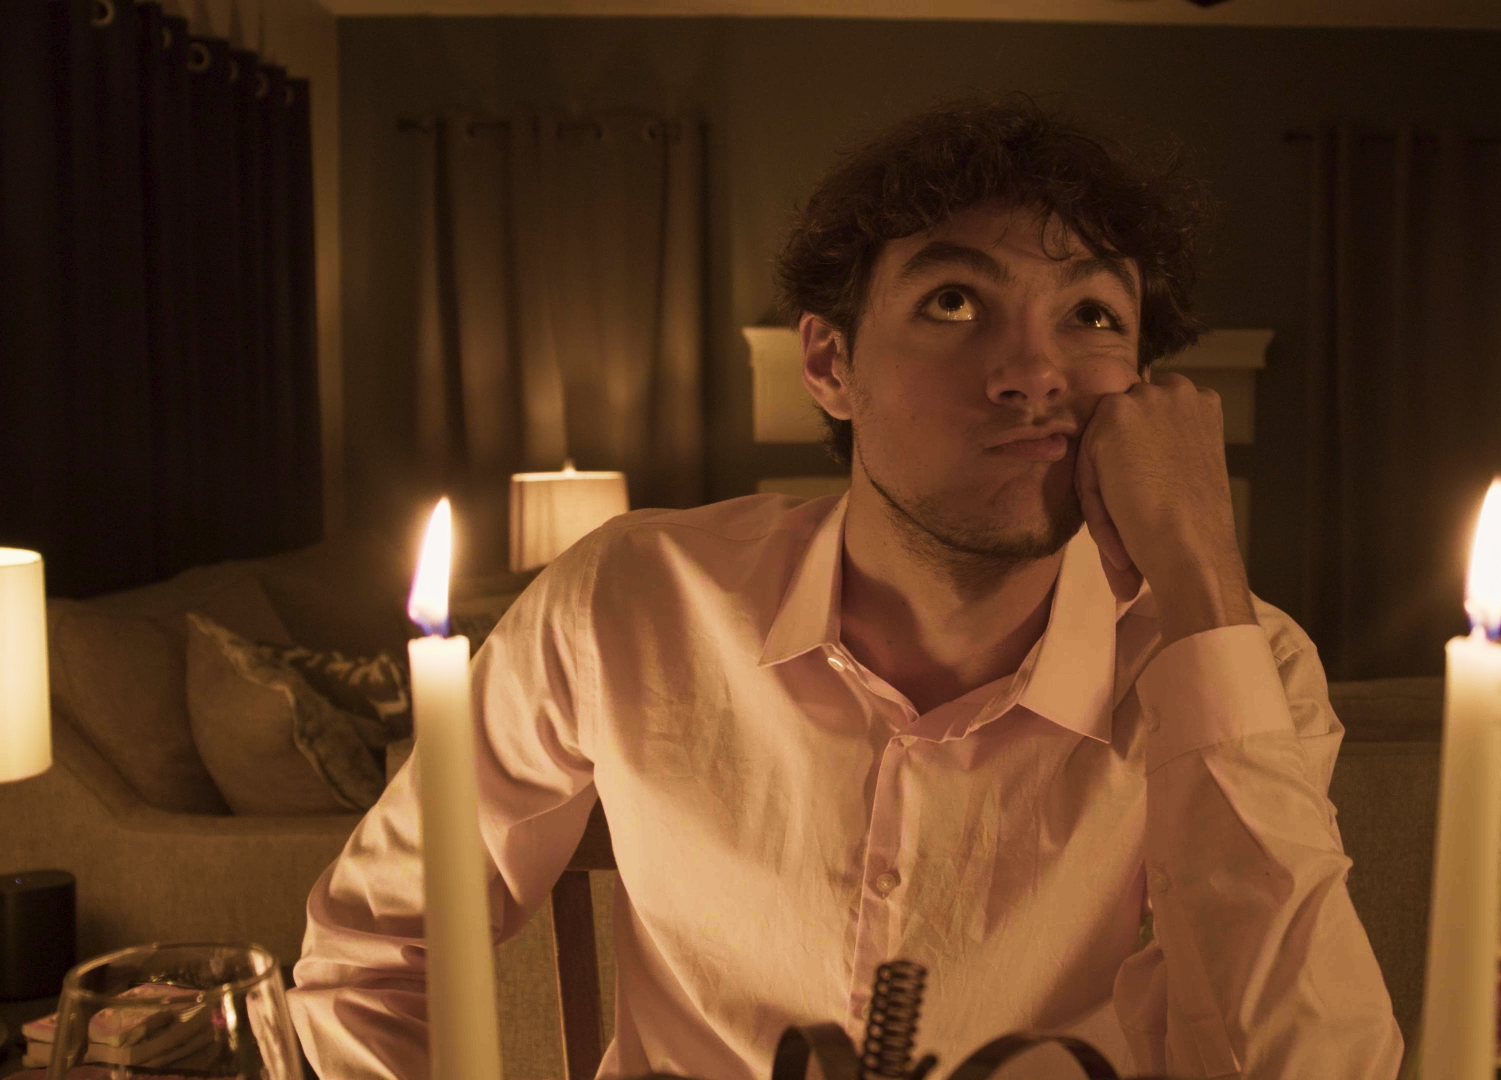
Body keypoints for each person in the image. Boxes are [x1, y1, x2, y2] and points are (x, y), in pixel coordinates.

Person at [290, 95, 1402, 1080]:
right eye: (956, 303)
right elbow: (374, 953)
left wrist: (1204, 585)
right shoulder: (627, 601)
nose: (1032, 375)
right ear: (828, 365)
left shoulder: (1242, 667)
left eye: (1092, 316)